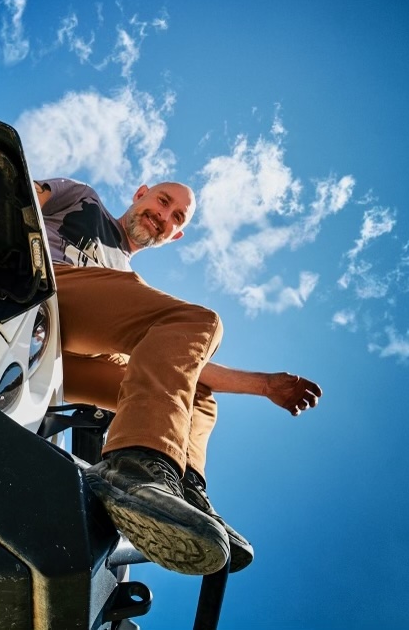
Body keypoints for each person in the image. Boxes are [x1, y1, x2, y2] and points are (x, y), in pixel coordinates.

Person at [35, 177, 322, 576]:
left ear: (176, 235)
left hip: (64, 361)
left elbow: (184, 364)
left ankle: (183, 490)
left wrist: (264, 385)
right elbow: (15, 188)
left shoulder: (132, 296)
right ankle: (135, 468)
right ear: (141, 194)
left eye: (175, 217)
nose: (162, 216)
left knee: (198, 394)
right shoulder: (84, 200)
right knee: (199, 321)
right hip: (41, 293)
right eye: (162, 201)